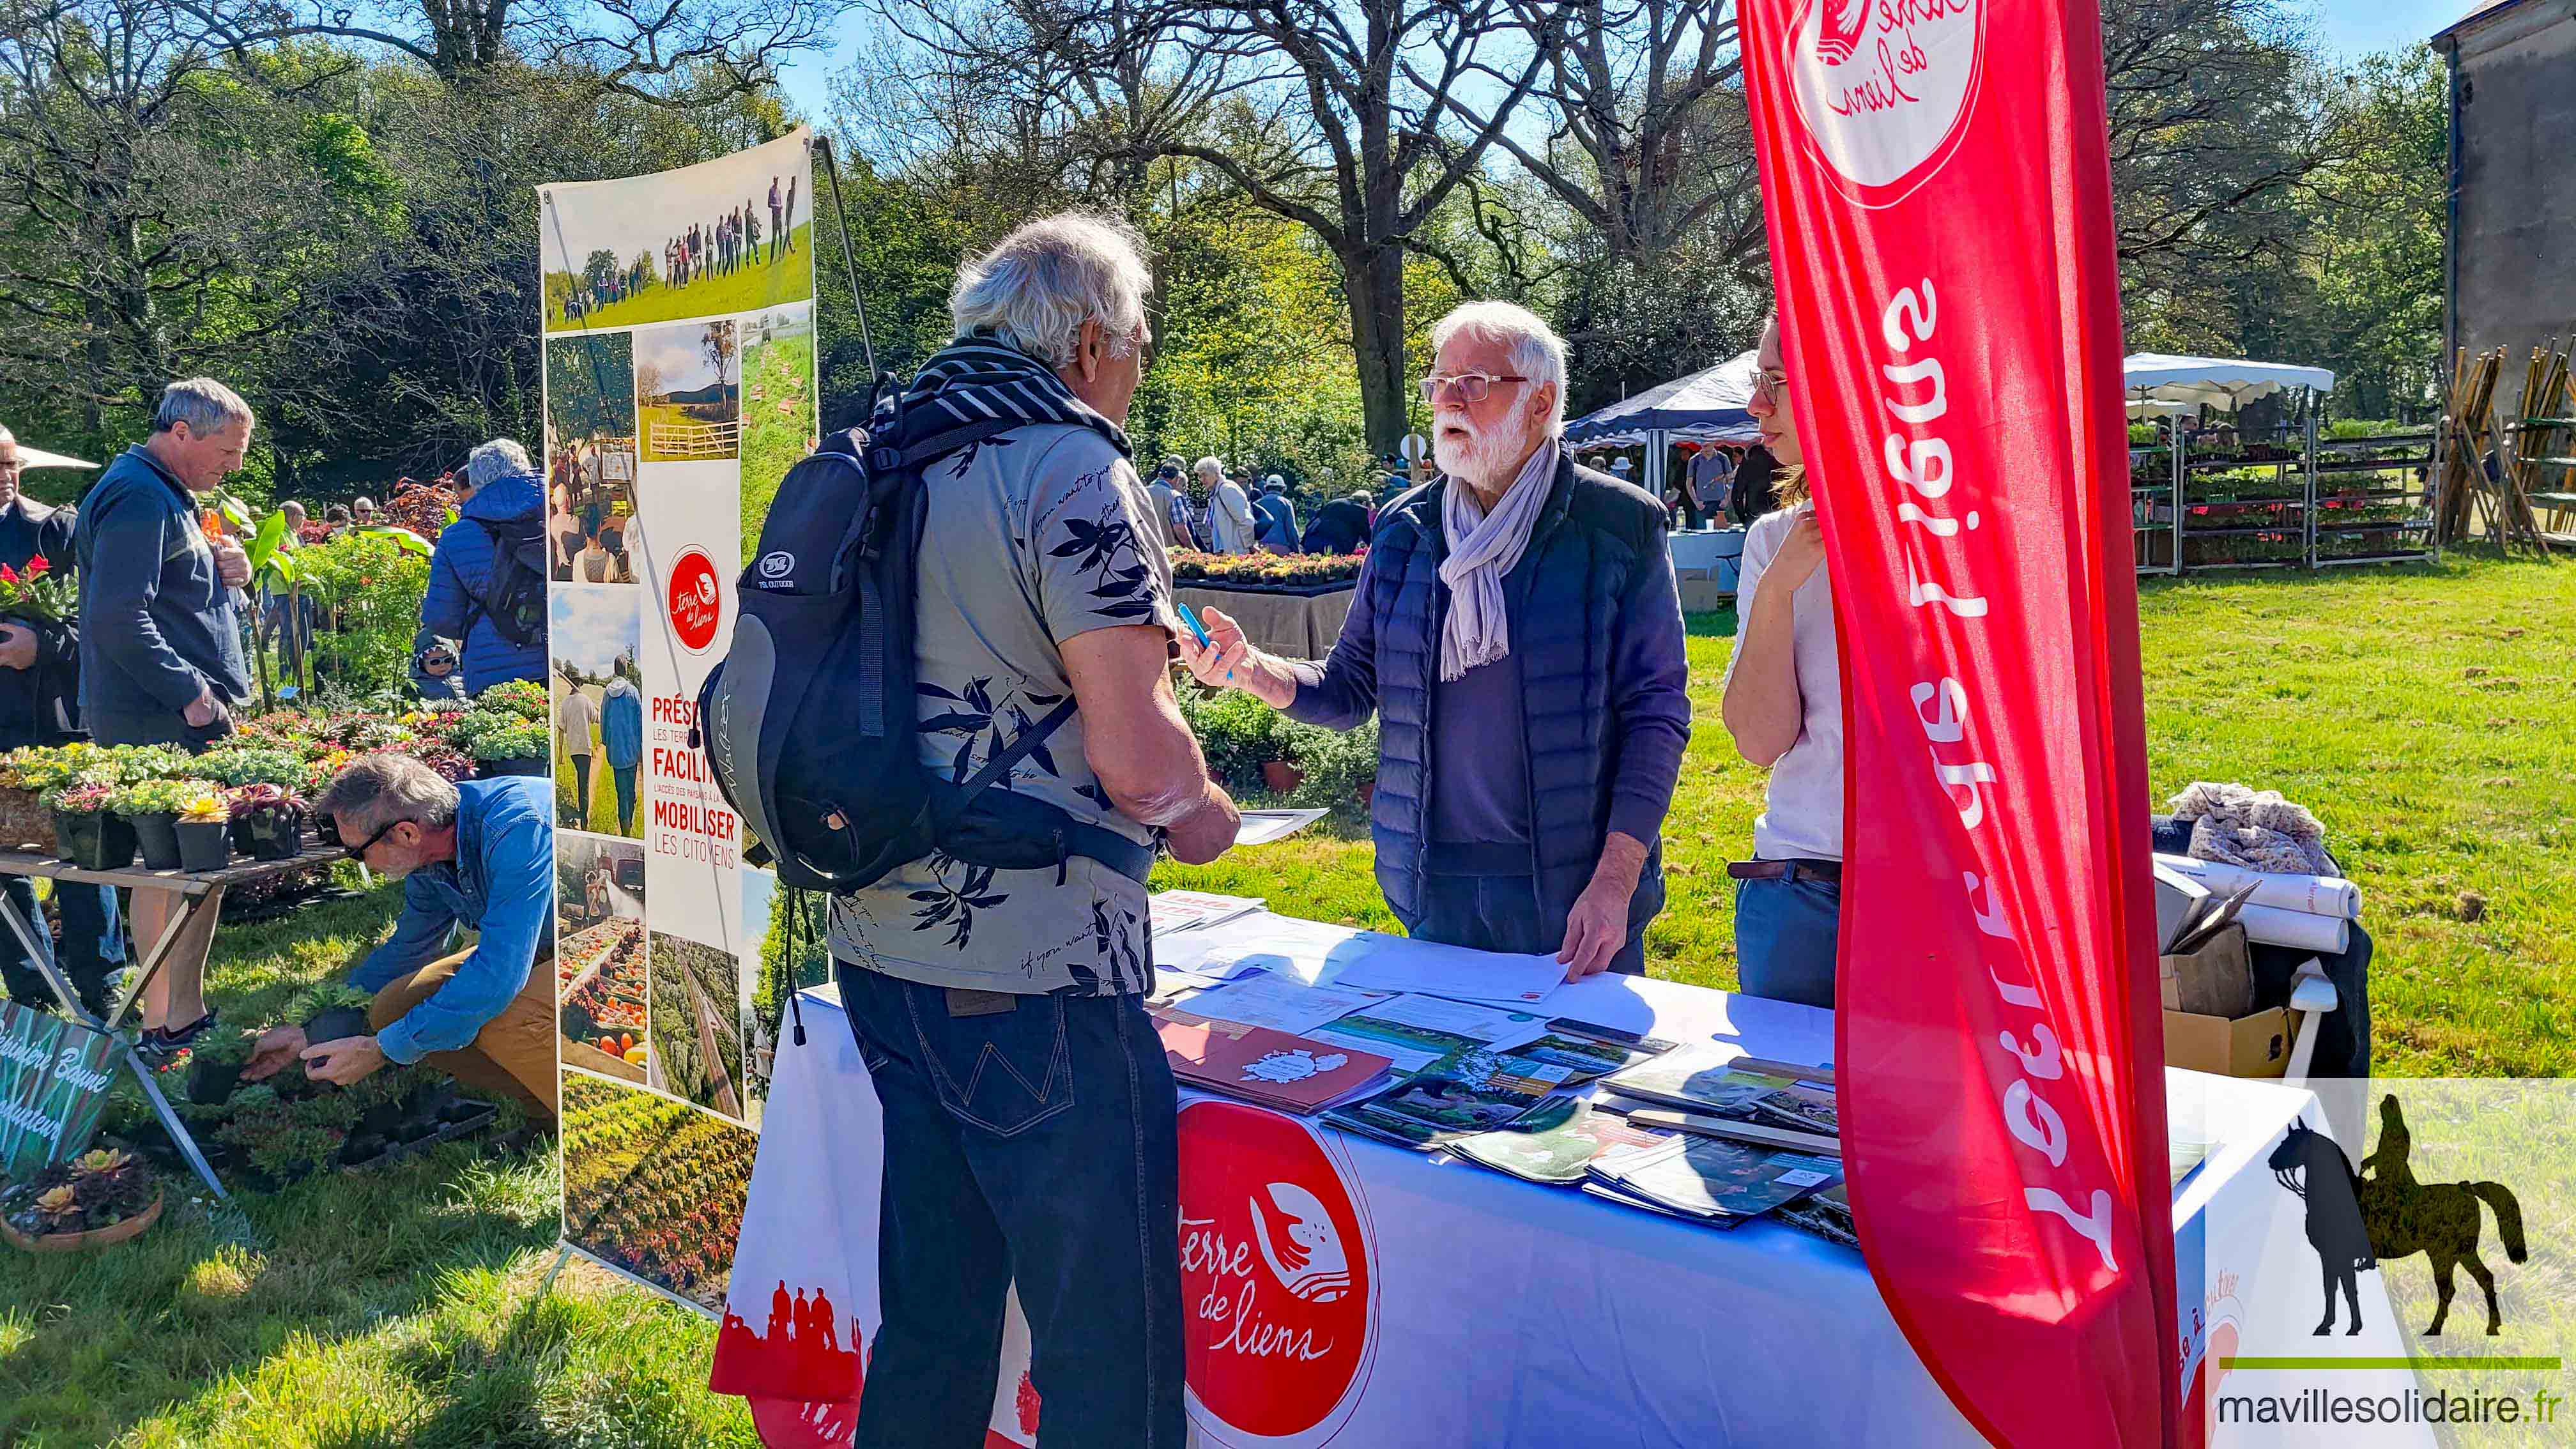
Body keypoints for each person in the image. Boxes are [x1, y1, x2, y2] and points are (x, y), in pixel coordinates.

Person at [830, 211, 1238, 1449]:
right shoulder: (1069, 467)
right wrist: (1210, 815)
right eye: (1142, 344)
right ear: (1092, 341)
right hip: (1033, 968)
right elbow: (1136, 756)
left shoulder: (883, 451)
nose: (1140, 368)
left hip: (876, 942)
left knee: (934, 1327)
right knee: (1107, 1355)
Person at [1182, 302, 1690, 979]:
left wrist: (1616, 882)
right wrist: (1252, 670)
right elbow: (1350, 687)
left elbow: (1656, 717)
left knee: (1571, 1082)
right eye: (1439, 383)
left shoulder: (1617, 527)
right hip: (1433, 888)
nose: (1446, 399)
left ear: (1540, 403)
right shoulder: (1405, 531)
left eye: (1473, 382)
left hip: (1576, 896)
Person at [72, 378, 256, 1059]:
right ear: (180, 432)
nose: (232, 466)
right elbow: (118, 615)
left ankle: (184, 1013)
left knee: (195, 868)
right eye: (226, 451)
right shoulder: (138, 495)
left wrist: (221, 567)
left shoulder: (164, 493)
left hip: (175, 716)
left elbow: (167, 591)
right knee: (166, 868)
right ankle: (158, 1027)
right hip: (159, 719)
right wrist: (193, 695)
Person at [242, 755, 558, 1122]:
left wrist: (382, 1050)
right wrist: (308, 1030)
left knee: (509, 1022)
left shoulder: (518, 829)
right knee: (394, 1007)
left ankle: (604, 1124)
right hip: (537, 941)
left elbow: (498, 978)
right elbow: (409, 949)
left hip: (613, 936)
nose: (361, 864)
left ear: (407, 833)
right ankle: (549, 1107)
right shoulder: (433, 850)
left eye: (358, 852)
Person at [1718, 316, 1840, 1009]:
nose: (1755, 406)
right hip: (1802, 893)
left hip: (1951, 891)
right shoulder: (1773, 540)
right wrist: (1775, 593)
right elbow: (1758, 743)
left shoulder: (1968, 538)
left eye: (1778, 382)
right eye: (1756, 380)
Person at [0, 425, 122, 1016]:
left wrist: (40, 646)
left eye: (10, 463)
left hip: (55, 720)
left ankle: (103, 984)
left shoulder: (56, 530)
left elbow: (104, 624)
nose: (6, 475)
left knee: (80, 853)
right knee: (3, 869)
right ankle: (34, 993)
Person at [419, 439, 548, 693]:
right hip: (556, 661)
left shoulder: (456, 536)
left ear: (476, 483)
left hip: (491, 671)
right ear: (524, 468)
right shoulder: (558, 515)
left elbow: (442, 619)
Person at [600, 662, 643, 835]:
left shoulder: (607, 694)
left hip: (616, 750)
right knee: (630, 791)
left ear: (615, 670)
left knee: (620, 793)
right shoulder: (633, 692)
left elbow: (603, 720)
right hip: (631, 750)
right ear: (626, 670)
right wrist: (640, 746)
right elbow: (639, 721)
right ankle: (629, 825)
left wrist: (606, 742)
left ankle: (624, 826)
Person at [556, 673, 599, 831]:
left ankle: (581, 813)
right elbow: (597, 719)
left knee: (581, 780)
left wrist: (560, 753)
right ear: (580, 684)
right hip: (585, 749)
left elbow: (561, 729)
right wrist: (596, 709)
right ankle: (584, 819)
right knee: (584, 784)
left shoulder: (565, 703)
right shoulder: (586, 700)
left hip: (573, 750)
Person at [1202, 456, 1255, 553]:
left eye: (1205, 475)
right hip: (1226, 552)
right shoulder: (1216, 493)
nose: (1202, 479)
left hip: (1238, 552)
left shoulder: (1226, 490)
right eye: (1200, 476)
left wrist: (1250, 546)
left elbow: (1245, 520)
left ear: (1215, 474)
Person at [1298, 489, 1374, 555]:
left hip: (1311, 541)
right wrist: (1374, 548)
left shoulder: (1333, 503)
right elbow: (1366, 534)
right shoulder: (1360, 509)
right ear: (1364, 503)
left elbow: (1315, 520)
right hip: (1335, 547)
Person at [1144, 457, 1196, 550]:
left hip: (1147, 550)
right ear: (1176, 479)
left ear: (1159, 475)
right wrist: (1193, 548)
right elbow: (1180, 529)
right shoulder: (1174, 496)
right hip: (1170, 551)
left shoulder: (1142, 493)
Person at [410, 627, 466, 702]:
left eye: (448, 660)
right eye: (435, 662)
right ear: (421, 663)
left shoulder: (463, 677)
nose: (442, 665)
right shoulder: (417, 687)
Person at [1252, 473, 1300, 553]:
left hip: (1260, 548)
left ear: (1266, 488)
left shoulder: (1257, 503)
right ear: (1283, 489)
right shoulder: (1286, 503)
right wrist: (1297, 550)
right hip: (1282, 548)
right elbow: (1291, 529)